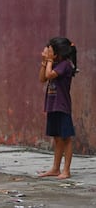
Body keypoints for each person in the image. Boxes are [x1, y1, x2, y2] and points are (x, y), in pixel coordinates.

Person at [38, 37, 78, 179]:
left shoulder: (65, 65)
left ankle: (66, 170)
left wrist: (48, 61)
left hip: (62, 105)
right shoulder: (55, 63)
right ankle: (55, 168)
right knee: (57, 137)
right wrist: (45, 62)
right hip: (52, 104)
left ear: (57, 53)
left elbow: (49, 75)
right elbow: (42, 78)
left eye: (49, 50)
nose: (46, 51)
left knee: (66, 138)